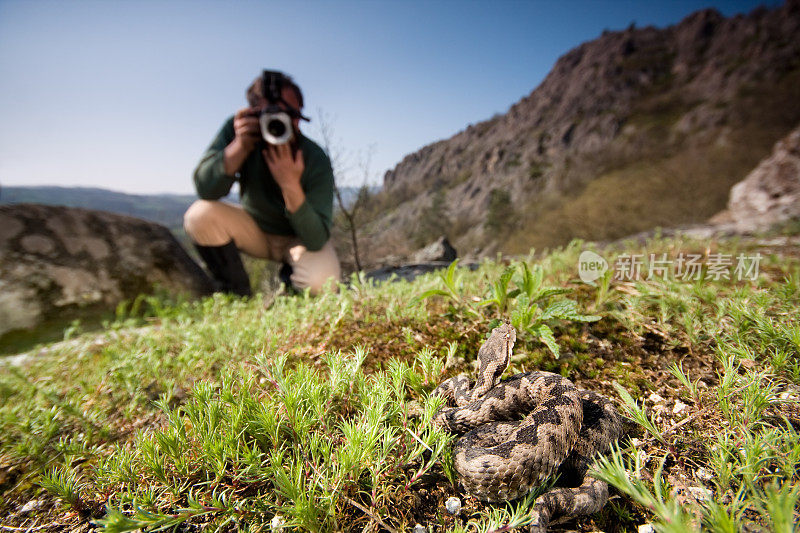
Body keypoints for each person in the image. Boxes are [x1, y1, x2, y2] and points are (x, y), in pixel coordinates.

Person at [184, 70, 341, 296]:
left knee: (321, 283)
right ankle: (235, 295)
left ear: (300, 116)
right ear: (253, 112)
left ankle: (288, 294)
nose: (284, 121)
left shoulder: (315, 158)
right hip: (254, 229)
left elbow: (316, 239)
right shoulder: (239, 129)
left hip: (298, 238)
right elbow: (205, 189)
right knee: (199, 215)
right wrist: (239, 148)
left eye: (291, 114)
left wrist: (290, 183)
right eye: (272, 112)